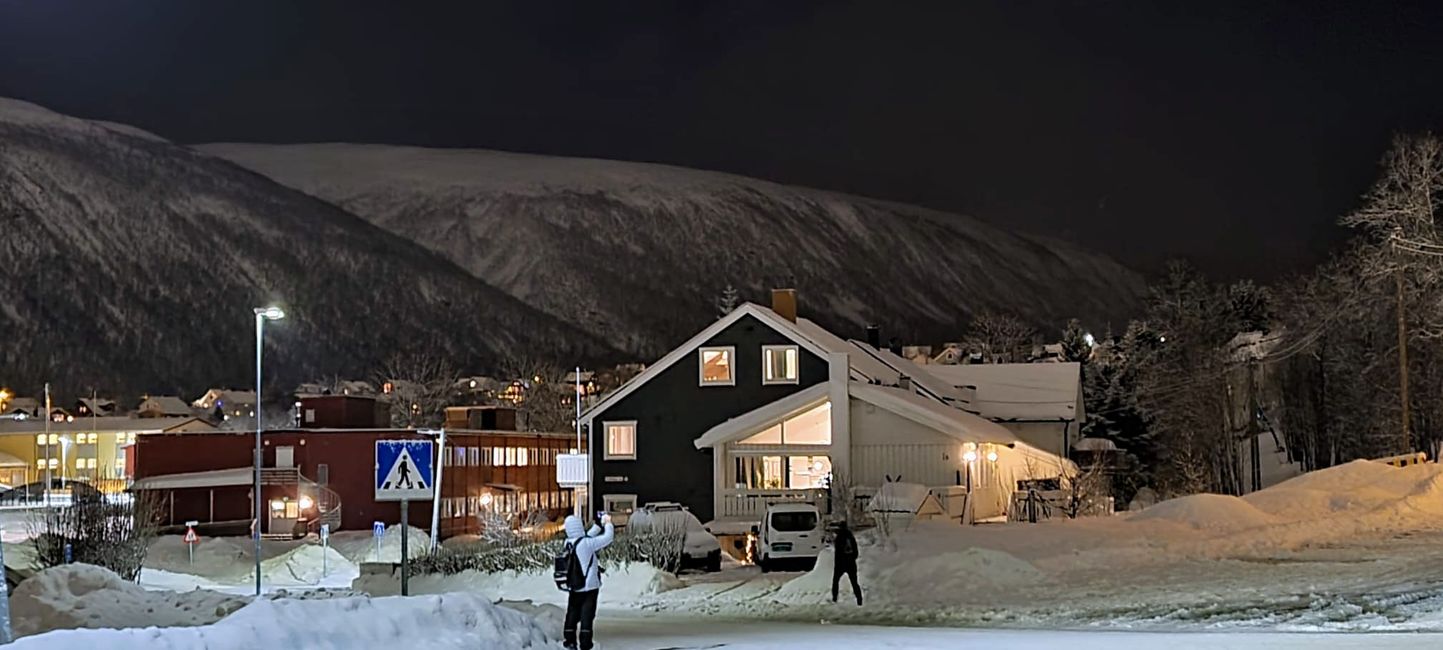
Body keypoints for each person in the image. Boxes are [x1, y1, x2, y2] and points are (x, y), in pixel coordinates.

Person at [563, 513, 614, 650]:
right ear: (579, 526)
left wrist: (597, 526)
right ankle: (585, 644)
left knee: (572, 613)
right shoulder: (586, 544)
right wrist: (608, 523)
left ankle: (569, 641)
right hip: (589, 587)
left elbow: (586, 537)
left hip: (575, 586)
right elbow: (607, 538)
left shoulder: (569, 543)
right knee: (587, 615)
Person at [831, 520, 862, 605]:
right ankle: (859, 599)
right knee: (854, 582)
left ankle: (834, 598)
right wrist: (852, 558)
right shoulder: (850, 536)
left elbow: (838, 552)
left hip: (841, 563)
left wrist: (837, 563)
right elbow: (855, 551)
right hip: (851, 562)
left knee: (835, 581)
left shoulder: (839, 537)